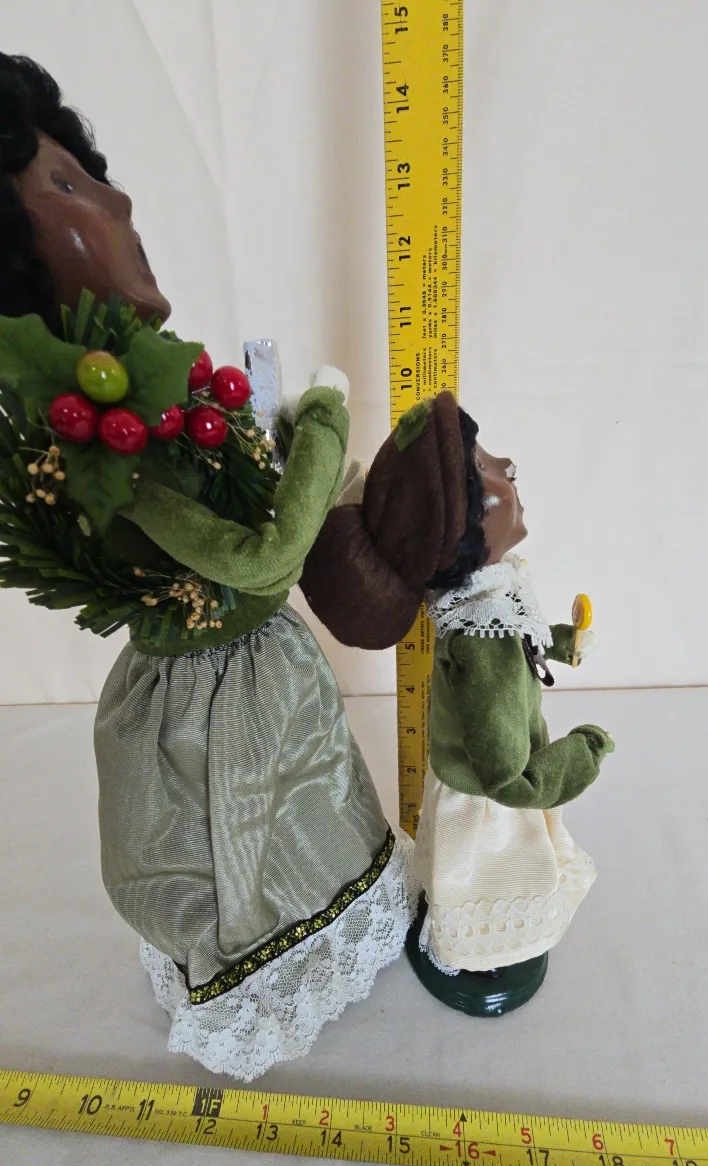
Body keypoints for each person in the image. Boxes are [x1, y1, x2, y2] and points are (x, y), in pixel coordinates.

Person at [0, 53, 415, 1078]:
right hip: (210, 705)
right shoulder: (102, 442)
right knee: (241, 838)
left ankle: (336, 919)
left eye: (90, 175)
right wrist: (326, 416)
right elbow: (266, 559)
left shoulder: (161, 399)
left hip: (259, 667)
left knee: (314, 801)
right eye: (66, 185)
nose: (118, 202)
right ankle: (264, 976)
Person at [300, 391, 615, 1014]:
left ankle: (471, 942)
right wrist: (584, 752)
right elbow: (510, 778)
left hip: (466, 784)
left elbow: (517, 640)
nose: (509, 466)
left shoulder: (485, 599)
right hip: (488, 809)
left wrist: (560, 641)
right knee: (492, 884)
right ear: (461, 536)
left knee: (464, 879)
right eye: (486, 469)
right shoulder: (480, 633)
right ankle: (477, 954)